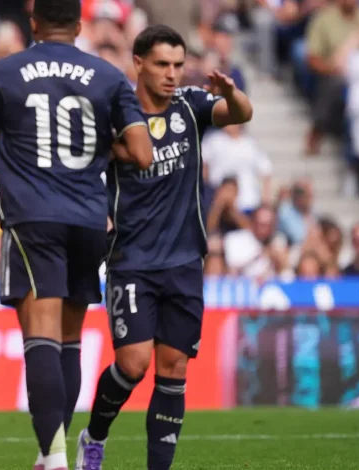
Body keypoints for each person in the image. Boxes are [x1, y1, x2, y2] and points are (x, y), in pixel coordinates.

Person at [0, 0, 153, 468]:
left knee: (41, 336)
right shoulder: (109, 76)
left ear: (33, 23)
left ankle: (53, 458)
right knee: (70, 339)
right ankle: (49, 452)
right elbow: (142, 153)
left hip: (33, 217)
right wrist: (97, 149)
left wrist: (26, 155)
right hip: (89, 221)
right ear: (78, 24)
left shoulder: (4, 73)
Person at [74, 25, 253, 470]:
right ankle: (94, 437)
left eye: (177, 64)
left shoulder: (190, 105)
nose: (172, 74)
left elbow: (242, 113)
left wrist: (231, 93)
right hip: (132, 260)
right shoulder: (115, 114)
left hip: (185, 260)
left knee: (173, 368)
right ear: (139, 63)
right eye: (162, 65)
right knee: (133, 364)